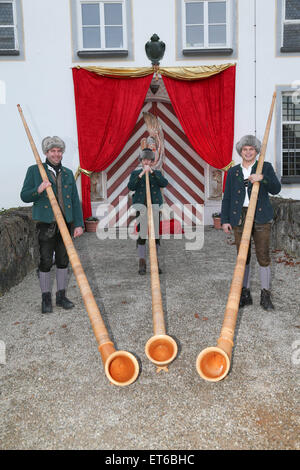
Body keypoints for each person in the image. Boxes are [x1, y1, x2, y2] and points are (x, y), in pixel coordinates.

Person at [21, 136, 84, 313]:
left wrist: (78, 224)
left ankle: (61, 297)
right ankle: (46, 298)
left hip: (66, 223)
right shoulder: (35, 171)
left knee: (64, 260)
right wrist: (38, 189)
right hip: (45, 224)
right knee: (46, 261)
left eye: (59, 151)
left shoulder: (68, 173)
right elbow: (25, 195)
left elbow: (75, 201)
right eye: (52, 151)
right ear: (46, 153)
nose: (56, 154)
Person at [221, 135, 281, 310]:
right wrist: (225, 220)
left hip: (261, 216)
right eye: (245, 149)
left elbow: (276, 189)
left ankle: (265, 294)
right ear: (241, 151)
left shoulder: (265, 167)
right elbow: (227, 198)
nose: (248, 152)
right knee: (243, 257)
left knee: (263, 255)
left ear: (256, 152)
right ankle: (245, 293)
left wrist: (262, 178)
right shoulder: (233, 172)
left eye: (251, 149)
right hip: (239, 217)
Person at [128, 148, 168, 275]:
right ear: (141, 161)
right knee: (142, 234)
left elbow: (164, 183)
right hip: (142, 208)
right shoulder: (135, 173)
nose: (146, 162)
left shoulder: (157, 173)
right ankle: (142, 263)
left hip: (155, 207)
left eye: (149, 160)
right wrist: (141, 175)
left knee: (155, 235)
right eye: (144, 159)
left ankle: (155, 262)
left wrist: (151, 172)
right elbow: (131, 186)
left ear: (152, 162)